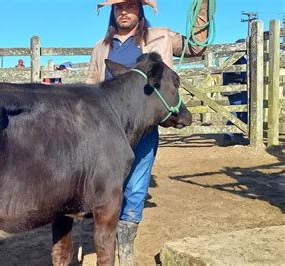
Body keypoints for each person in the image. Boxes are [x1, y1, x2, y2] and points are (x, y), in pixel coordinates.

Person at [87, 0, 210, 264]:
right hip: (108, 130)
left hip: (144, 128)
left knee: (135, 188)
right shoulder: (101, 48)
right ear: (112, 12)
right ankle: (107, 241)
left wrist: (203, 9)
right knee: (106, 187)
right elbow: (92, 85)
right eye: (118, 7)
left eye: (130, 6)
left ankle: (126, 250)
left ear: (140, 11)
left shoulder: (160, 37)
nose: (124, 11)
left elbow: (197, 46)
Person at [221, 39, 248, 146]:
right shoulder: (235, 59)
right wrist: (244, 79)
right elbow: (237, 74)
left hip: (239, 89)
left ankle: (235, 134)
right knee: (237, 112)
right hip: (235, 89)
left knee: (241, 111)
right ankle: (230, 136)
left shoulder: (242, 59)